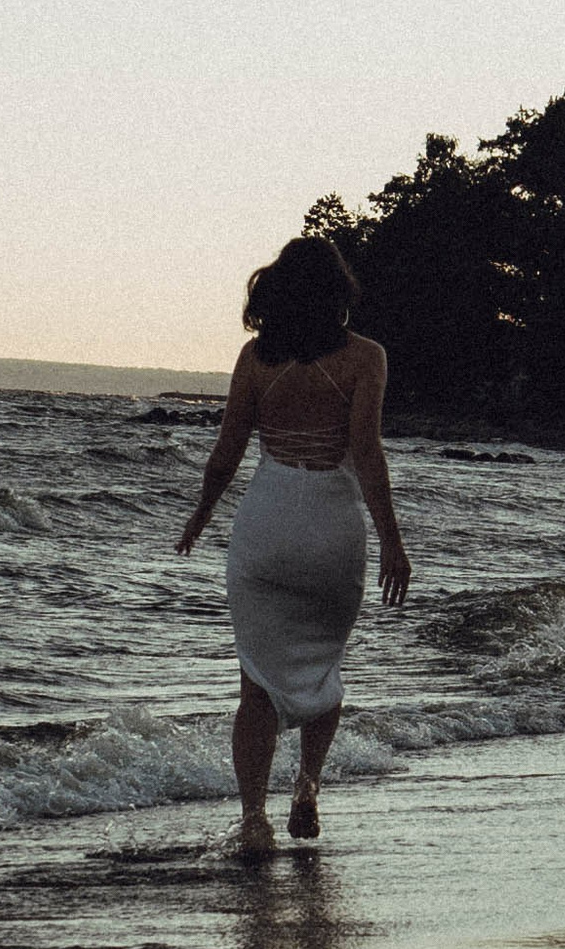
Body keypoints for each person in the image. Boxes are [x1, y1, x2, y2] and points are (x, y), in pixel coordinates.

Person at [175, 237, 412, 856]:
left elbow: (227, 449)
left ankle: (253, 817)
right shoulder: (366, 358)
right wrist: (392, 539)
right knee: (323, 666)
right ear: (338, 292)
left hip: (266, 527)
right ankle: (307, 785)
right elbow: (366, 452)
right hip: (331, 530)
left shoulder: (256, 358)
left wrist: (201, 513)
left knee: (256, 684)